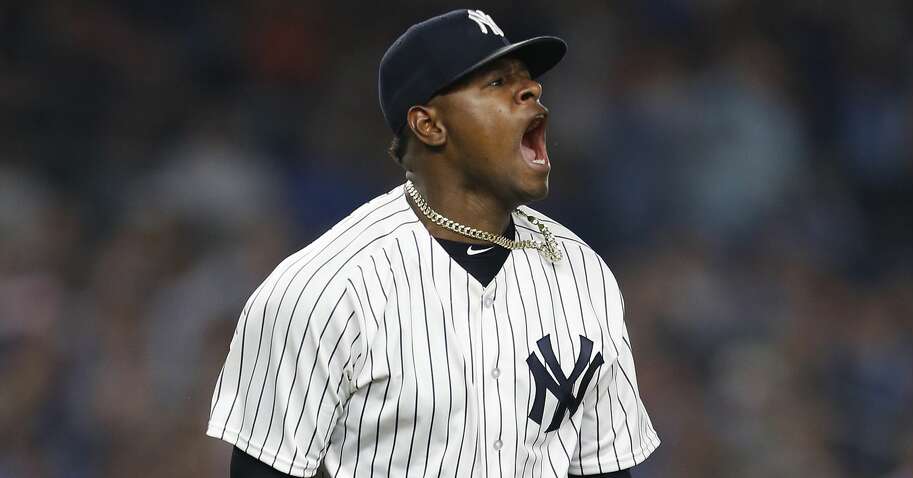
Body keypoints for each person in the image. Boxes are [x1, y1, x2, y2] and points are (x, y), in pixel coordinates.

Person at [206, 9, 659, 477]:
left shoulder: (583, 274)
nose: (531, 90)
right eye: (497, 82)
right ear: (429, 125)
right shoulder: (323, 290)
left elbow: (604, 467)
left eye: (527, 80)